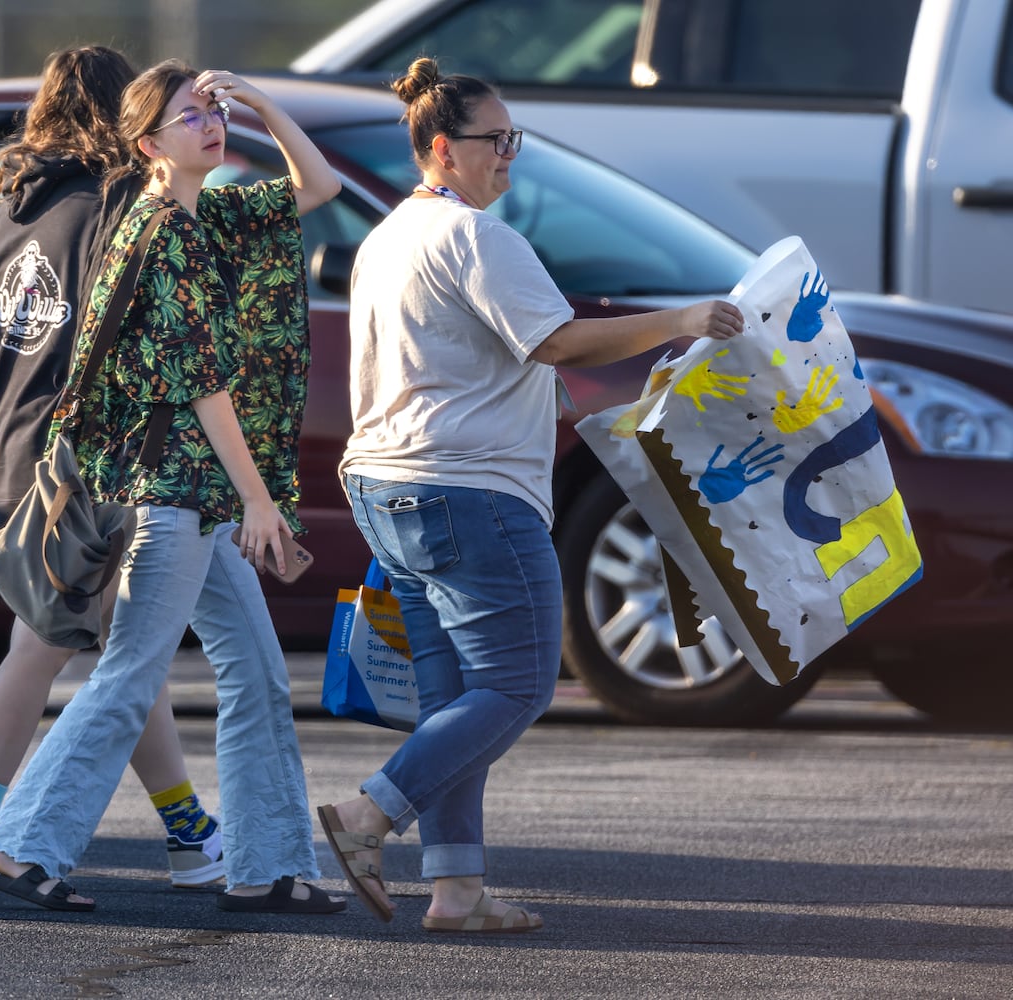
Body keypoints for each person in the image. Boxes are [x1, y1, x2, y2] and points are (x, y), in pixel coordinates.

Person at [317, 57, 745, 933]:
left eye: (516, 138)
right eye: (496, 140)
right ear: (443, 148)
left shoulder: (390, 236)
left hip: (386, 487)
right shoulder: (477, 237)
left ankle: (456, 891)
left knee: (452, 702)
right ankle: (367, 817)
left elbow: (477, 359)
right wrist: (681, 319)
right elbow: (555, 343)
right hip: (467, 493)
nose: (511, 154)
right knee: (516, 687)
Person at [0, 60, 345, 914]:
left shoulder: (204, 214)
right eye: (193, 119)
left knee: (254, 670)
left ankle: (267, 867)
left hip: (197, 495)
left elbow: (315, 184)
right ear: (148, 144)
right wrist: (260, 500)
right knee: (133, 671)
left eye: (214, 116)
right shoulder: (158, 231)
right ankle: (21, 845)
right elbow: (205, 385)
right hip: (165, 492)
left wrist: (258, 102)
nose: (211, 129)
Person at [0, 45, 222, 893]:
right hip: (75, 468)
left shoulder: (10, 211)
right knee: (48, 646)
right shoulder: (117, 203)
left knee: (124, 653)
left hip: (4, 457)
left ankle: (188, 833)